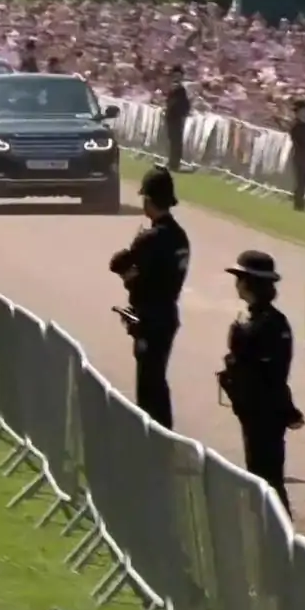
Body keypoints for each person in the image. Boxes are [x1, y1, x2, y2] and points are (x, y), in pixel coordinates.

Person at [218, 250, 305, 515]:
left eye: (240, 278)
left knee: (266, 480)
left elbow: (263, 375)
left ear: (249, 283)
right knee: (265, 477)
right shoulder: (273, 322)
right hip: (262, 411)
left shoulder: (256, 326)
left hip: (260, 412)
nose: (236, 284)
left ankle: (279, 541)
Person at [108, 166, 191, 429]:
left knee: (149, 385)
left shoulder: (149, 239)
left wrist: (126, 274)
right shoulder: (180, 237)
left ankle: (156, 438)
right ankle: (161, 434)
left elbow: (131, 276)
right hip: (168, 313)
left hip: (149, 317)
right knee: (157, 378)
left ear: (149, 200)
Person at [287, 99, 305, 211]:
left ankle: (299, 202)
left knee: (303, 180)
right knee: (301, 179)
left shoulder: (303, 125)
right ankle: (298, 203)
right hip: (300, 153)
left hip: (303, 153)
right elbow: (301, 140)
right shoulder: (298, 125)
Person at [163, 66, 190, 172]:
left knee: (176, 141)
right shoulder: (176, 88)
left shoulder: (179, 88)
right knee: (173, 140)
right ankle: (173, 162)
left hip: (176, 116)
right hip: (173, 116)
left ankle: (174, 163)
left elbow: (182, 103)